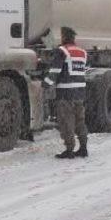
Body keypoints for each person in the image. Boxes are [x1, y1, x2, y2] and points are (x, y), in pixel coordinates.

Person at [43, 27, 89, 159]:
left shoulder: (62, 51)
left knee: (66, 121)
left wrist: (45, 84)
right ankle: (83, 148)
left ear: (64, 37)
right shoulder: (82, 52)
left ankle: (69, 150)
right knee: (80, 120)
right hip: (80, 93)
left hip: (66, 93)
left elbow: (55, 71)